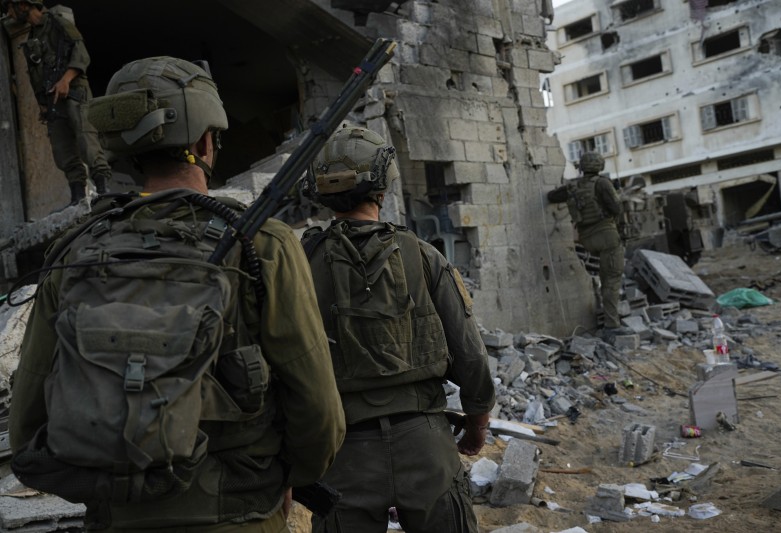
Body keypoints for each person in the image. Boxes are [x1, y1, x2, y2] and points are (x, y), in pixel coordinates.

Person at [9, 56, 345, 532]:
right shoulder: (262, 243)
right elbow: (319, 410)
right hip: (242, 515)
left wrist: (116, 491)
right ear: (206, 141)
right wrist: (289, 479)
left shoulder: (76, 250)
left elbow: (28, 426)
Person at [301, 124, 496, 533]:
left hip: (342, 451)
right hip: (425, 442)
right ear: (382, 186)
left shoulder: (300, 263)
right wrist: (477, 424)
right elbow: (470, 354)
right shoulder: (423, 255)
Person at [4, 0, 112, 205]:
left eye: (10, 7)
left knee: (87, 140)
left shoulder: (57, 23)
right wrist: (42, 104)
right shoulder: (32, 37)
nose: (9, 14)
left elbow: (81, 54)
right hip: (52, 100)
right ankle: (77, 196)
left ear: (24, 5)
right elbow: (36, 75)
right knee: (62, 150)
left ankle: (103, 189)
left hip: (73, 92)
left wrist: (66, 80)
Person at [547, 151, 628, 340]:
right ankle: (611, 325)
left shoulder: (573, 186)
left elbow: (552, 196)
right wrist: (615, 192)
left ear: (582, 167)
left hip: (586, 239)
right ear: (600, 166)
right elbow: (616, 208)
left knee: (603, 278)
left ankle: (607, 317)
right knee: (611, 280)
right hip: (607, 237)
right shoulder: (603, 183)